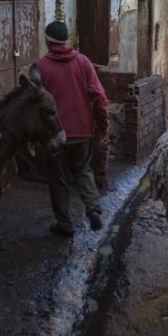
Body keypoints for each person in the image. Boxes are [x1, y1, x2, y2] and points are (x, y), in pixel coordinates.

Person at [37, 20, 109, 237]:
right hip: (83, 130)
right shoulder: (83, 62)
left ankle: (65, 225)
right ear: (66, 40)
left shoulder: (41, 67)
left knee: (58, 179)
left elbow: (35, 105)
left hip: (55, 134)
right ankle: (93, 209)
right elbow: (99, 97)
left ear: (48, 41)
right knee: (83, 170)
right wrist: (103, 126)